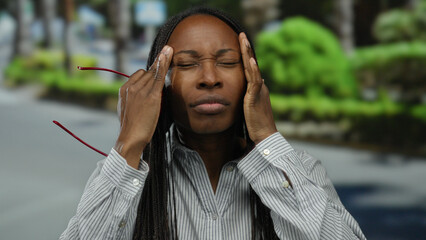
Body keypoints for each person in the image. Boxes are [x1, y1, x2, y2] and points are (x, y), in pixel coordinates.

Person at [60, 7, 366, 240]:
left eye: (228, 62)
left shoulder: (302, 171)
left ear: (251, 76)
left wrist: (268, 139)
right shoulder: (126, 180)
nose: (209, 78)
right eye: (188, 64)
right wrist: (128, 146)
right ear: (159, 86)